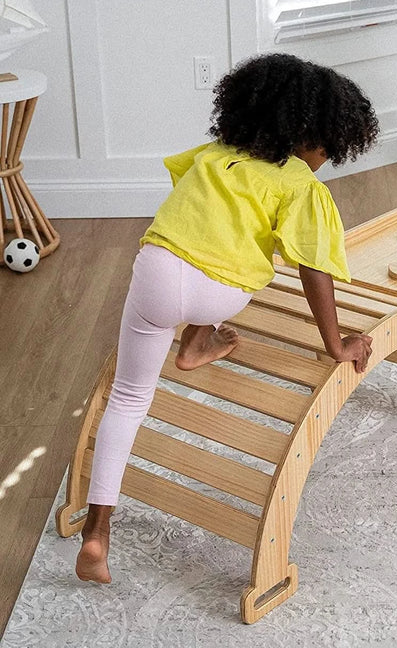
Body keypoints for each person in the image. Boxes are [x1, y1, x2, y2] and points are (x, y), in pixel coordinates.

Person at [75, 53, 379, 584]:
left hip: (155, 270)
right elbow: (313, 269)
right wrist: (336, 345)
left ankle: (97, 534)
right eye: (327, 147)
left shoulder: (215, 154)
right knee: (245, 263)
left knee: (127, 399)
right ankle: (199, 335)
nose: (325, 159)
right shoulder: (299, 184)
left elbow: (193, 207)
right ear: (310, 136)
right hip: (219, 293)